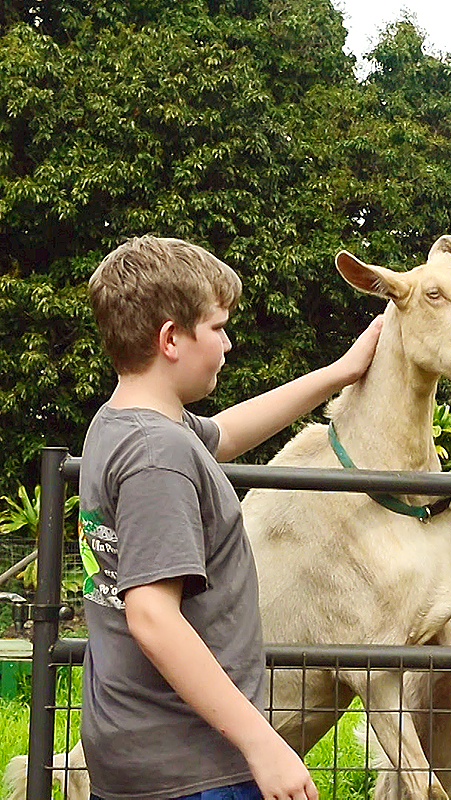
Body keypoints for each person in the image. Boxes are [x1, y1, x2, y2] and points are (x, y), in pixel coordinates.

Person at [79, 236, 383, 800]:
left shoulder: (125, 425)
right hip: (192, 767)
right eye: (217, 328)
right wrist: (262, 742)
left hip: (146, 752)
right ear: (171, 338)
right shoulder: (158, 456)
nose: (228, 343)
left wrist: (339, 373)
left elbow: (226, 433)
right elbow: (152, 616)